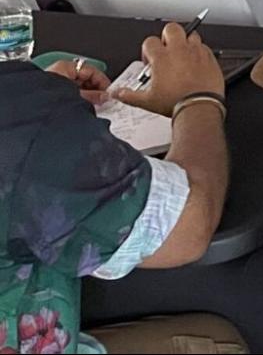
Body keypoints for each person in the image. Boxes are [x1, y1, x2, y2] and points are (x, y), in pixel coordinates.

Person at [2, 24, 237, 354]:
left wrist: (39, 96)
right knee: (218, 342)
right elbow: (188, 227)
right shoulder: (20, 120)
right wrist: (197, 97)